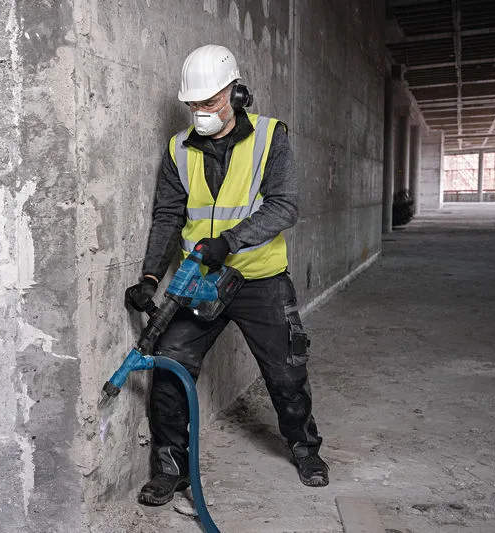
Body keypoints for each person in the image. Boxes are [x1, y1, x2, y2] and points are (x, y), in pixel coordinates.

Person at [124, 44, 329, 506]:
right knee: (171, 364)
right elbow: (168, 215)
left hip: (260, 278)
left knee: (286, 372)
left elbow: (284, 206)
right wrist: (150, 277)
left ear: (236, 94)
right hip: (200, 281)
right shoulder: (178, 149)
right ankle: (171, 469)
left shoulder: (271, 137)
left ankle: (305, 449)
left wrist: (230, 242)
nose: (202, 112)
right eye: (193, 104)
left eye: (211, 102)